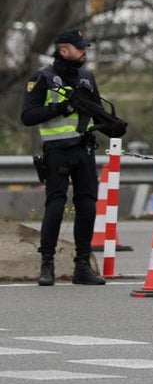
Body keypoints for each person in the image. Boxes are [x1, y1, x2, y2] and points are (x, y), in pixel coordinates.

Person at [20, 29, 107, 286]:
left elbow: (98, 112)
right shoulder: (43, 78)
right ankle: (47, 264)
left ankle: (82, 266)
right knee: (56, 206)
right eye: (80, 48)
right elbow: (28, 117)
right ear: (63, 50)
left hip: (84, 149)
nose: (85, 52)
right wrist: (61, 107)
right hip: (57, 151)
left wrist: (111, 125)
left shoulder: (86, 78)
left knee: (88, 206)